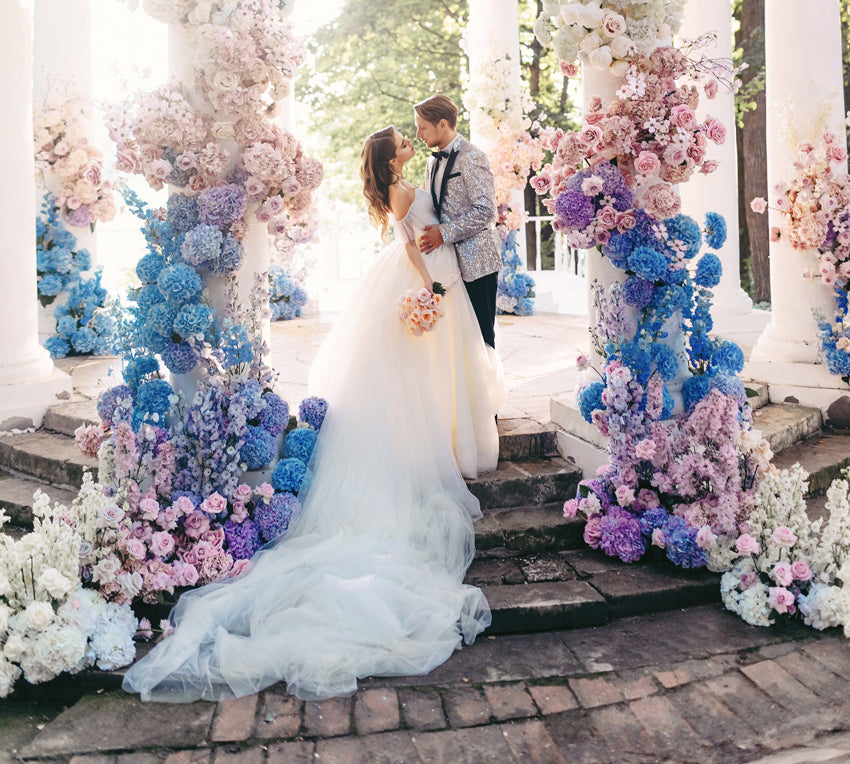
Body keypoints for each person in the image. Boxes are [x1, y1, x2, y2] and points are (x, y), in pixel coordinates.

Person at [121, 126, 503, 703]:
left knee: (428, 374)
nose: (408, 143)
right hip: (415, 278)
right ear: (388, 156)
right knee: (407, 379)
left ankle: (443, 431)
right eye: (401, 140)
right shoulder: (402, 190)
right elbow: (409, 243)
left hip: (431, 270)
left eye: (408, 137)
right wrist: (430, 288)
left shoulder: (410, 178)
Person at [414, 95, 502, 349]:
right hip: (447, 264)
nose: (418, 133)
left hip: (478, 264)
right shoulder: (432, 162)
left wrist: (443, 233)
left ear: (442, 123)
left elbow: (485, 211)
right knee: (456, 342)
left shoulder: (472, 156)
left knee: (482, 338)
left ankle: (488, 388)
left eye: (423, 126)